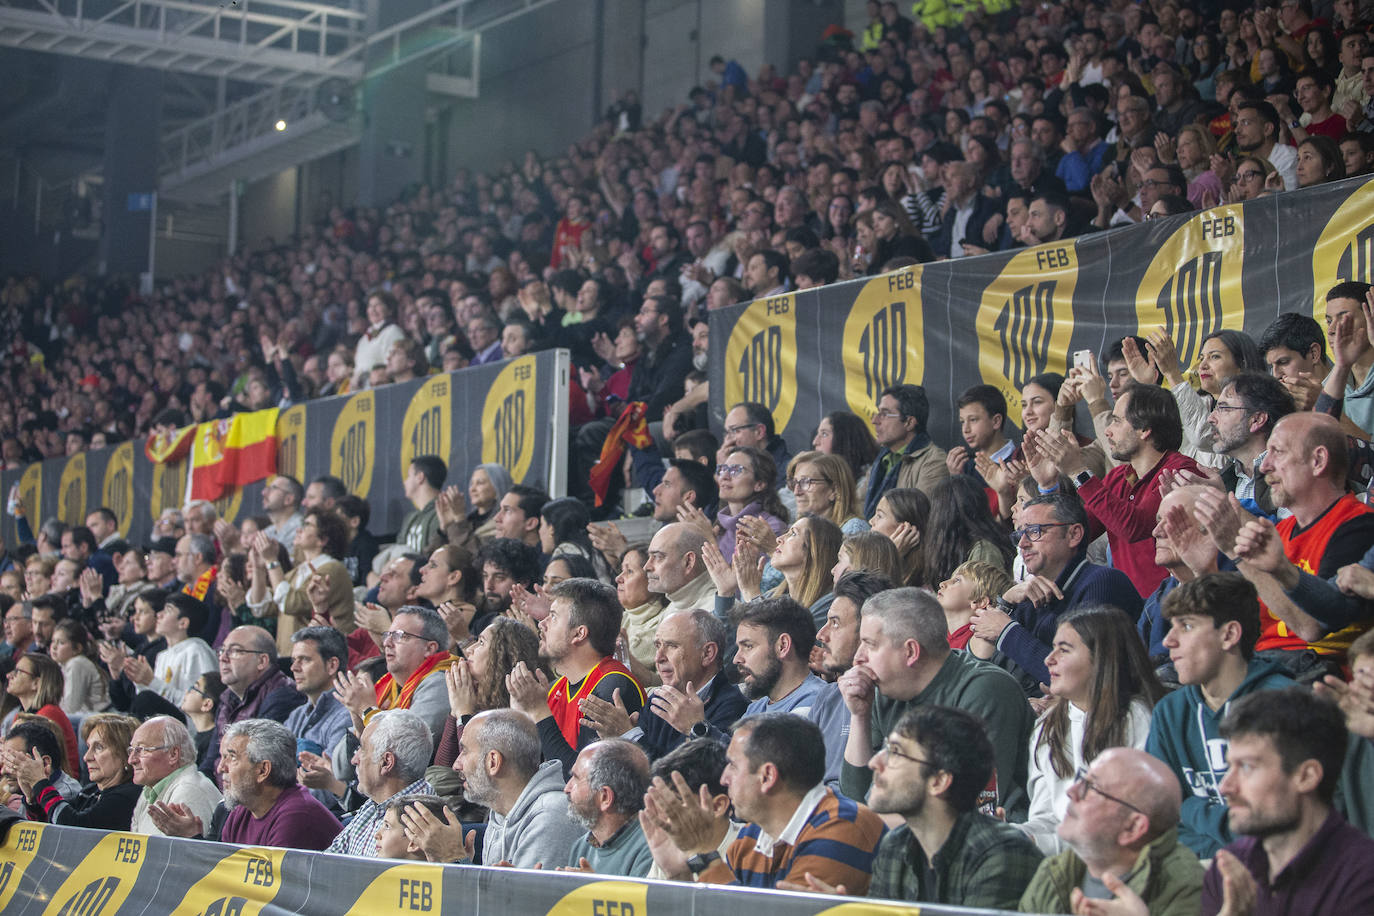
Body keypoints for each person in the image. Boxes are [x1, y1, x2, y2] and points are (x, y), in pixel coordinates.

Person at [841, 587, 1034, 819]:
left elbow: (966, 807)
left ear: (911, 651)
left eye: (870, 645)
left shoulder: (986, 689)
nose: (858, 658)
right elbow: (856, 797)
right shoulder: (885, 690)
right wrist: (859, 716)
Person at [644, 713, 886, 892]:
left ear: (767, 777)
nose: (724, 778)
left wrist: (704, 854)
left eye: (733, 765)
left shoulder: (841, 829)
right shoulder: (748, 841)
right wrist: (680, 875)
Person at [1203, 688, 1374, 915]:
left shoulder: (1364, 877)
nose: (1225, 787)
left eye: (1246, 767)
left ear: (1306, 776)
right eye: (1228, 766)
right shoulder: (1228, 869)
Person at [863, 706, 1044, 908]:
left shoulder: (1002, 855)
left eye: (895, 753)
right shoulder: (895, 845)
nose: (874, 763)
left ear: (938, 781)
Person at [1035, 383, 1203, 597]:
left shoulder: (1180, 470)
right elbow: (1073, 534)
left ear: (1144, 430)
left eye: (1116, 420)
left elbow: (1134, 527)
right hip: (1132, 612)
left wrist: (1077, 470)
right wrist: (1048, 485)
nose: (1107, 430)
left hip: (1177, 603)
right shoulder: (1118, 477)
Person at [1021, 606, 1163, 855]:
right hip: (1065, 860)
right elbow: (1047, 818)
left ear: (1102, 658)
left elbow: (1128, 830)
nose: (1048, 659)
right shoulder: (1047, 726)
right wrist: (1013, 835)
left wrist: (1035, 844)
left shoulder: (1138, 719)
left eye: (1063, 650)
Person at [970, 494, 1142, 691]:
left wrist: (1007, 633)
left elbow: (1086, 677)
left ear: (1073, 535)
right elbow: (976, 668)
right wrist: (1006, 602)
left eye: (1034, 531)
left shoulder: (1104, 583)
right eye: (1019, 535)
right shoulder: (1026, 597)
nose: (1022, 544)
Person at [1019, 747, 1204, 916]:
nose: (1072, 791)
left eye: (1091, 788)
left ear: (1132, 828)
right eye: (1081, 780)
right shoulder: (1054, 872)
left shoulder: (1184, 886)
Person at [506, 578, 643, 775]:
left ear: (579, 634)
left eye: (552, 617)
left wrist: (539, 711)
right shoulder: (554, 687)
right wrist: (520, 717)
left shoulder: (612, 687)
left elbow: (578, 777)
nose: (542, 623)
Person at [580, 609, 744, 759]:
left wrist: (628, 736)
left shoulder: (733, 706)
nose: (658, 658)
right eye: (658, 645)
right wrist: (614, 743)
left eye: (672, 646)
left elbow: (677, 777)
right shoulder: (657, 700)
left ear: (707, 653)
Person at [437, 708, 583, 868]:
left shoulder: (550, 816)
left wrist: (455, 859)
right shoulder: (500, 810)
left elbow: (525, 893)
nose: (456, 765)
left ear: (493, 761)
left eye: (464, 751)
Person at [326, 710, 433, 856]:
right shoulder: (374, 804)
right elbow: (328, 862)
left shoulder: (420, 821)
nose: (354, 760)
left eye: (362, 749)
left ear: (386, 762)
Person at [9, 712, 140, 829]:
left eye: (99, 747)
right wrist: (32, 798)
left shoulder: (127, 796)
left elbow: (73, 828)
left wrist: (40, 783)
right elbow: (50, 828)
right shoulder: (90, 791)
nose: (86, 757)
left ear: (125, 754)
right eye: (88, 747)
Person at [565, 739, 654, 876]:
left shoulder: (651, 850)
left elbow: (641, 898)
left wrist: (595, 890)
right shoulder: (582, 847)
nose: (567, 788)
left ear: (605, 797)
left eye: (575, 778)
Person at [128, 716, 223, 836]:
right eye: (131, 750)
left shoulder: (189, 790)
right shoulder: (149, 789)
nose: (131, 760)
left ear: (173, 754)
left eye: (142, 750)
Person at [865, 384, 949, 515]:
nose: (875, 420)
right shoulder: (881, 460)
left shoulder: (934, 461)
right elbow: (858, 508)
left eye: (885, 414)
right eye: (878, 412)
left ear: (909, 422)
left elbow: (917, 516)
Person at [3, 653, 79, 775]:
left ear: (36, 683)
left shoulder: (49, 714)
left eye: (18, 671)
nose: (9, 675)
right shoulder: (19, 716)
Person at [643, 523, 718, 616]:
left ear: (688, 561)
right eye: (649, 556)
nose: (646, 567)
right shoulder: (673, 606)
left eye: (658, 557)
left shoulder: (716, 610)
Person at [49, 619, 109, 715]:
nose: (54, 647)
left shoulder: (77, 664)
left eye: (61, 642)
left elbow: (71, 708)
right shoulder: (63, 664)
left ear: (77, 648)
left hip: (98, 716)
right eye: (53, 641)